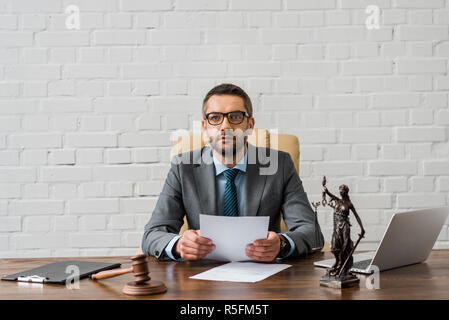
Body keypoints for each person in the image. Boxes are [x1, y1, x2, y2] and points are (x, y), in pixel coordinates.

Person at [141, 83, 324, 262]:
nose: (225, 126)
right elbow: (152, 235)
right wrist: (179, 244)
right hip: (202, 278)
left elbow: (311, 232)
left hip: (263, 277)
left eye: (235, 117)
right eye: (215, 117)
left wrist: (282, 244)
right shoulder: (183, 167)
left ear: (250, 125)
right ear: (205, 127)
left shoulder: (279, 165)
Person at [322, 182, 365, 276]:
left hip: (345, 225)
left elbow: (357, 216)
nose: (341, 191)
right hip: (337, 226)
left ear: (346, 192)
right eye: (340, 190)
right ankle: (338, 262)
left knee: (345, 246)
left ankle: (343, 266)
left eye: (343, 190)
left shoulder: (349, 204)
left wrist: (362, 228)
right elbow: (328, 193)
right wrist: (324, 186)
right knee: (334, 246)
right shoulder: (337, 200)